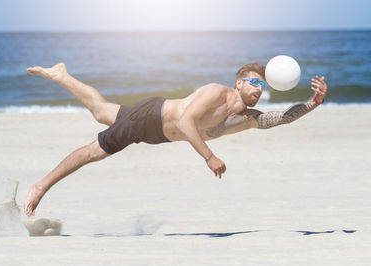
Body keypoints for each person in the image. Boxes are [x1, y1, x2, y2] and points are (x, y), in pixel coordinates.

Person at [24, 62, 328, 216]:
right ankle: (40, 187)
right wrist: (209, 157)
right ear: (239, 82)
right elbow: (185, 121)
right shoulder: (216, 93)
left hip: (158, 134)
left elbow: (283, 118)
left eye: (263, 84)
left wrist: (314, 103)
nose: (259, 87)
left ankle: (61, 75)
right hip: (151, 116)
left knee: (102, 111)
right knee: (96, 151)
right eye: (254, 81)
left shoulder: (247, 118)